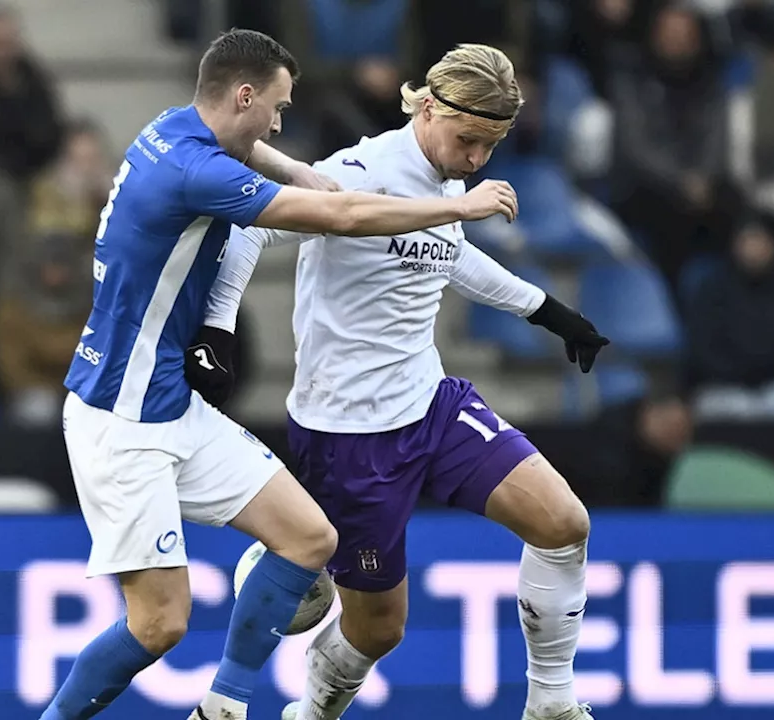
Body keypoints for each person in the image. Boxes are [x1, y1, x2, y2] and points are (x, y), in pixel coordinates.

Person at [42, 29, 520, 720]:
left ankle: (224, 706)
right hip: (120, 422)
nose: (277, 120)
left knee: (310, 537)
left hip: (170, 403)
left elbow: (247, 145)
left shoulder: (168, 132)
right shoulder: (197, 173)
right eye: (277, 107)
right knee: (159, 623)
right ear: (244, 95)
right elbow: (346, 214)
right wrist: (457, 207)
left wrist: (291, 163)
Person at [193, 44, 607, 720]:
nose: (475, 160)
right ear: (431, 107)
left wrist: (551, 314)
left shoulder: (447, 182)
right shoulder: (359, 171)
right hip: (348, 435)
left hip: (431, 405)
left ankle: (551, 704)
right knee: (380, 629)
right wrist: (218, 326)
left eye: (489, 149)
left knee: (563, 524)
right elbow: (250, 231)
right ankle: (314, 710)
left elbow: (448, 255)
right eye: (468, 140)